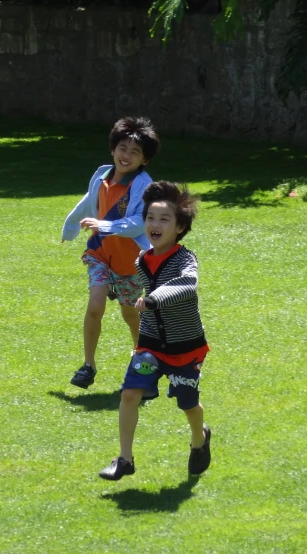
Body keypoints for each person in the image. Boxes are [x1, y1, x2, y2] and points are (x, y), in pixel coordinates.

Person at [98, 181, 211, 480]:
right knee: (130, 394)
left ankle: (199, 438)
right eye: (150, 217)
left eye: (164, 219)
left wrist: (153, 299)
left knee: (188, 403)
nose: (155, 224)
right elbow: (139, 287)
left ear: (180, 228)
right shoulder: (141, 259)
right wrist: (116, 288)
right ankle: (125, 459)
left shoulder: (186, 259)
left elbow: (188, 285)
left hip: (184, 346)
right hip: (149, 344)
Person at [61, 117, 161, 389]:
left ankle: (144, 362)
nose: (126, 156)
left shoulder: (143, 184)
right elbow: (87, 203)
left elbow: (140, 221)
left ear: (144, 160)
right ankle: (88, 365)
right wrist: (69, 229)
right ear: (113, 149)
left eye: (134, 152)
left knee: (130, 315)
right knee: (95, 305)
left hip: (130, 264)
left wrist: (104, 224)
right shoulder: (102, 175)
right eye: (122, 148)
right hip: (100, 254)